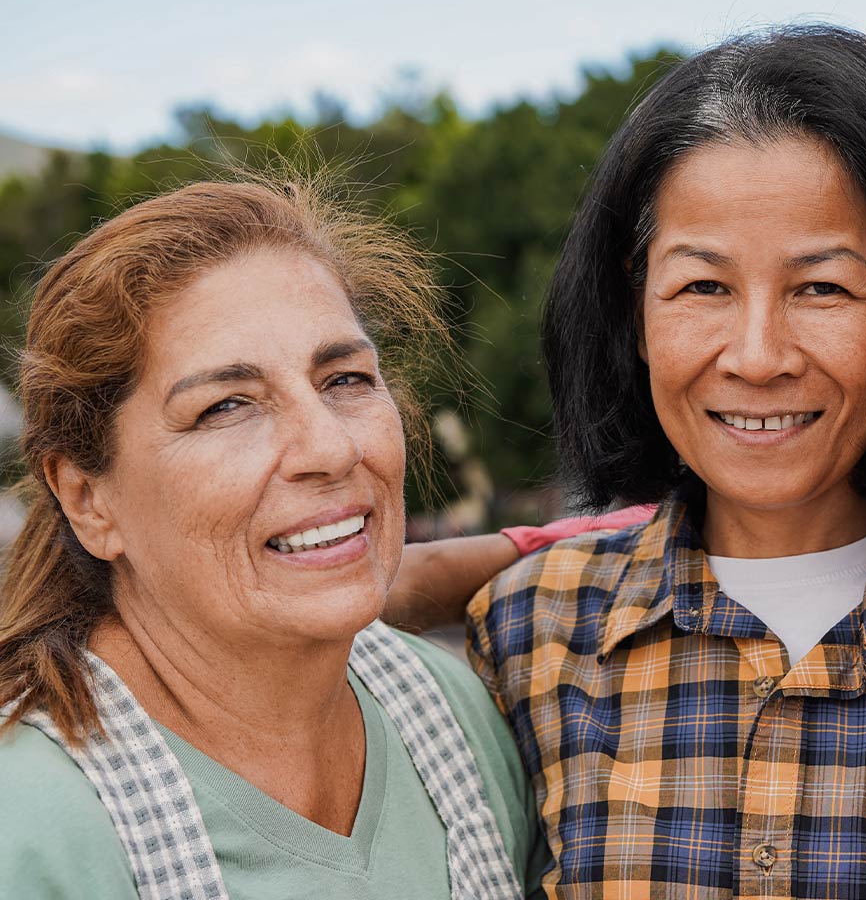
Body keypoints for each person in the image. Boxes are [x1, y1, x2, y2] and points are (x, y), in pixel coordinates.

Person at [467, 26, 866, 897]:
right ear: (635, 308)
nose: (758, 357)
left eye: (821, 287)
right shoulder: (528, 631)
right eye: (703, 287)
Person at [0, 180, 546, 899]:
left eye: (345, 378)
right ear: (87, 498)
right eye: (225, 406)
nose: (329, 446)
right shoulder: (33, 824)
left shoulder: (457, 715)